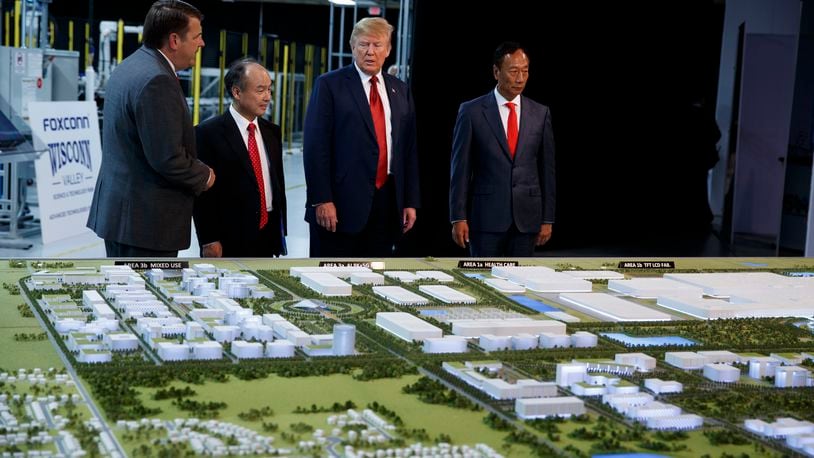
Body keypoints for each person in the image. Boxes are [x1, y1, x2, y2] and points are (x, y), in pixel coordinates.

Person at [87, 0, 214, 257]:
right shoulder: (158, 81)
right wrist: (205, 175)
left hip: (123, 216)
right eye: (197, 36)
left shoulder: (132, 65)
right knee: (144, 296)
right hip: (144, 225)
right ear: (175, 40)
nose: (202, 43)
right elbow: (167, 158)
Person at [303, 17, 419, 257]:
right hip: (339, 205)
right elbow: (316, 147)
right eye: (364, 44)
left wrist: (409, 201)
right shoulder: (329, 85)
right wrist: (322, 199)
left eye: (377, 45)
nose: (370, 51)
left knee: (376, 282)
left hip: (386, 205)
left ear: (388, 50)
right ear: (352, 46)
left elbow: (408, 150)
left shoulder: (400, 90)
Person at [449, 42, 556, 257]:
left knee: (520, 284)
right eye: (514, 71)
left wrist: (547, 219)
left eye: (525, 71)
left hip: (527, 220)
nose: (520, 78)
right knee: (484, 282)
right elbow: (460, 169)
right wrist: (458, 217)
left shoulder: (540, 113)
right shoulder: (472, 111)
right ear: (496, 72)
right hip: (485, 219)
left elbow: (547, 170)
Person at [193, 59, 287, 257]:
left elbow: (277, 183)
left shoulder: (272, 132)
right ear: (237, 92)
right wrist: (209, 238)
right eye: (260, 90)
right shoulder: (208, 133)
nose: (267, 97)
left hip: (268, 232)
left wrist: (280, 232)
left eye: (269, 90)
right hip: (230, 237)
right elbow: (203, 195)